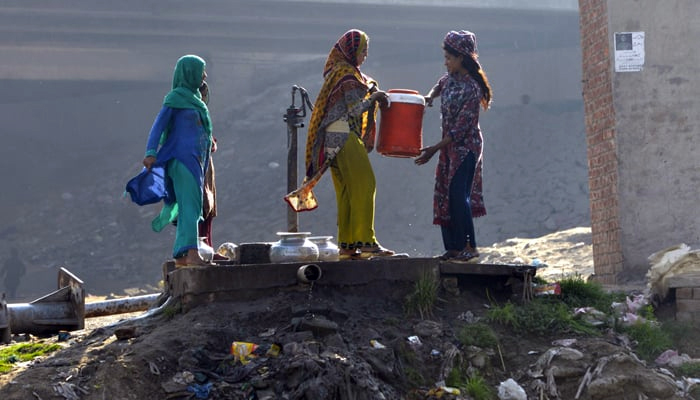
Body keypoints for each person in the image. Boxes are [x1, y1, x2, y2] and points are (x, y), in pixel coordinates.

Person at [287, 29, 395, 260]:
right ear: (351, 50)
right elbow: (354, 109)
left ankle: (347, 245)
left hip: (331, 141)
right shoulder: (346, 76)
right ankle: (367, 242)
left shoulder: (341, 72)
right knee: (366, 184)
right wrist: (374, 98)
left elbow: (362, 89)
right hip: (344, 135)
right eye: (362, 50)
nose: (365, 55)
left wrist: (371, 91)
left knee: (346, 190)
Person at [415, 30, 493, 262]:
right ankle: (453, 247)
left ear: (461, 58)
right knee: (444, 195)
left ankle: (470, 246)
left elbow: (459, 131)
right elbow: (438, 86)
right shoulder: (450, 79)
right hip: (449, 148)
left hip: (466, 147)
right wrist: (429, 97)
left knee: (458, 195)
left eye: (449, 58)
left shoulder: (472, 88)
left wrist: (432, 150)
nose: (446, 62)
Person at [142, 54, 214, 267]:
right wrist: (151, 152)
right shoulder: (175, 98)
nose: (205, 75)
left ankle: (182, 255)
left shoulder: (195, 99)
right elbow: (158, 126)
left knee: (189, 206)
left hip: (196, 160)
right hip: (182, 159)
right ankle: (191, 254)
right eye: (202, 71)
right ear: (190, 72)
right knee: (191, 206)